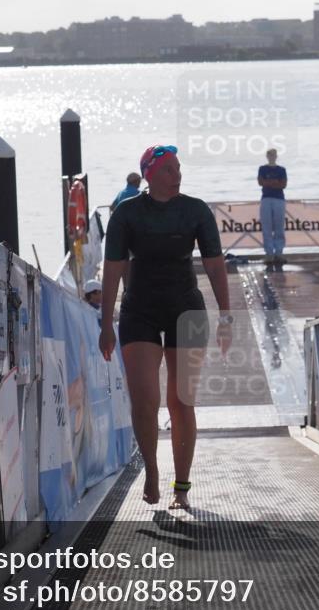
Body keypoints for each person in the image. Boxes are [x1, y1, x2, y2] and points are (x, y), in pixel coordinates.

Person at [99, 145, 233, 510]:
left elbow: (215, 265)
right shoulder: (127, 214)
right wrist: (105, 324)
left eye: (179, 168)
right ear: (150, 175)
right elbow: (112, 269)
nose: (178, 175)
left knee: (181, 401)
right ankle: (152, 471)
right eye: (170, 170)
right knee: (145, 400)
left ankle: (182, 487)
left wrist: (226, 314)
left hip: (185, 309)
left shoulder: (195, 210)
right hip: (139, 309)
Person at [257, 148, 287, 264]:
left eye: (273, 155)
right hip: (266, 199)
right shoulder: (262, 169)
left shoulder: (281, 170)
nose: (271, 156)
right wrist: (274, 182)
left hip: (279, 199)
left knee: (279, 227)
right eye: (270, 154)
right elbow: (261, 182)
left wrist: (269, 182)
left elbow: (283, 184)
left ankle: (279, 253)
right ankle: (269, 253)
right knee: (266, 227)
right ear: (267, 156)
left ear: (276, 156)